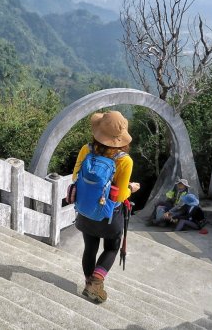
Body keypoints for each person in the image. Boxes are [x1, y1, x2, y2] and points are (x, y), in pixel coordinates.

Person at [72, 111, 140, 304]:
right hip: (109, 217)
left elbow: (75, 177)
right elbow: (119, 196)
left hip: (86, 212)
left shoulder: (87, 150)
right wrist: (131, 188)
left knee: (90, 248)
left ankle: (88, 283)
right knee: (112, 247)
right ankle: (95, 283)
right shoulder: (124, 160)